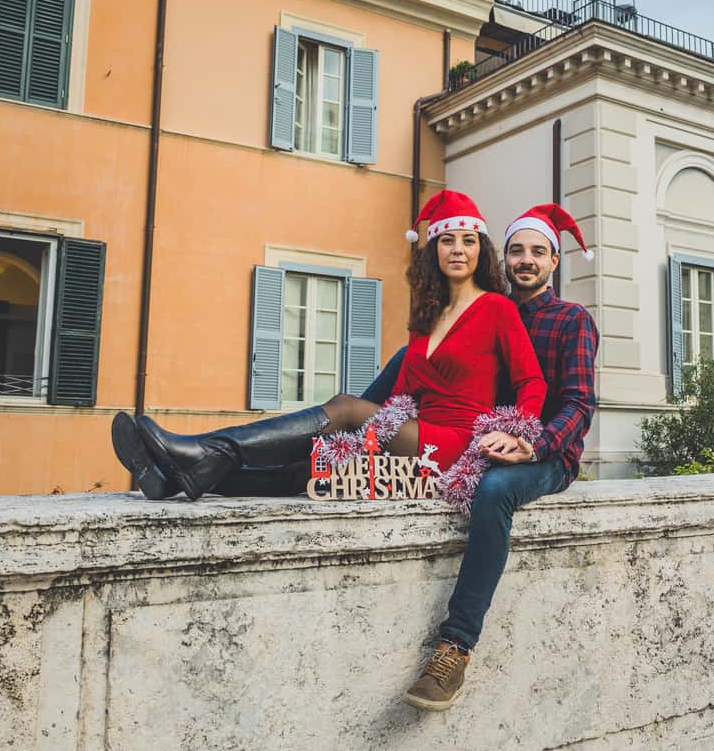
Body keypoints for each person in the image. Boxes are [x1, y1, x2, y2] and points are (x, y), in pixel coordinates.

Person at [110, 190, 547, 512]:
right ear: (433, 250)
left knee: (345, 408)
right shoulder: (427, 317)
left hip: (456, 442)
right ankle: (179, 479)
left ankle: (205, 449)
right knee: (310, 469)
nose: (458, 250)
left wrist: (518, 435)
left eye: (469, 241)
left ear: (480, 250)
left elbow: (531, 380)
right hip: (413, 435)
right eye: (448, 241)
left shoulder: (497, 308)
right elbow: (400, 395)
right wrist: (350, 441)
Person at [392, 204, 599, 711]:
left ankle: (455, 646)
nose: (526, 260)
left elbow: (578, 404)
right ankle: (348, 425)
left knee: (495, 491)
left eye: (538, 252)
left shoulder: (571, 319)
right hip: (479, 441)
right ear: (502, 258)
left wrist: (535, 444)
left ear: (554, 261)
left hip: (546, 454)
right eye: (516, 251)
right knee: (394, 372)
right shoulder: (486, 309)